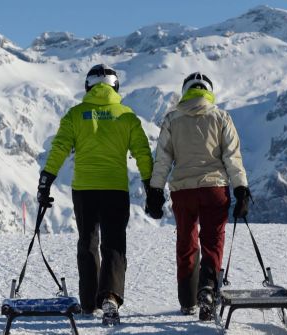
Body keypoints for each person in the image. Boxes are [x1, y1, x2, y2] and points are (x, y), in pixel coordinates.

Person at [37, 64, 153, 325]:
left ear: (88, 87)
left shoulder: (75, 115)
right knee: (113, 243)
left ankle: (89, 303)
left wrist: (46, 181)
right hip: (115, 189)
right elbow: (143, 153)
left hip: (84, 190)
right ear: (116, 87)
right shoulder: (126, 115)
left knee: (88, 243)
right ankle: (110, 296)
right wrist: (150, 185)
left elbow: (59, 149)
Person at [146, 72, 251, 321]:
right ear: (209, 91)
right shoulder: (221, 117)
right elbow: (232, 158)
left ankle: (187, 301)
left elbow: (163, 160)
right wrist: (241, 189)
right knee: (212, 241)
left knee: (186, 241)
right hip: (214, 188)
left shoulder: (172, 119)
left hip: (183, 191)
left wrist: (155, 191)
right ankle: (207, 292)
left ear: (186, 92)